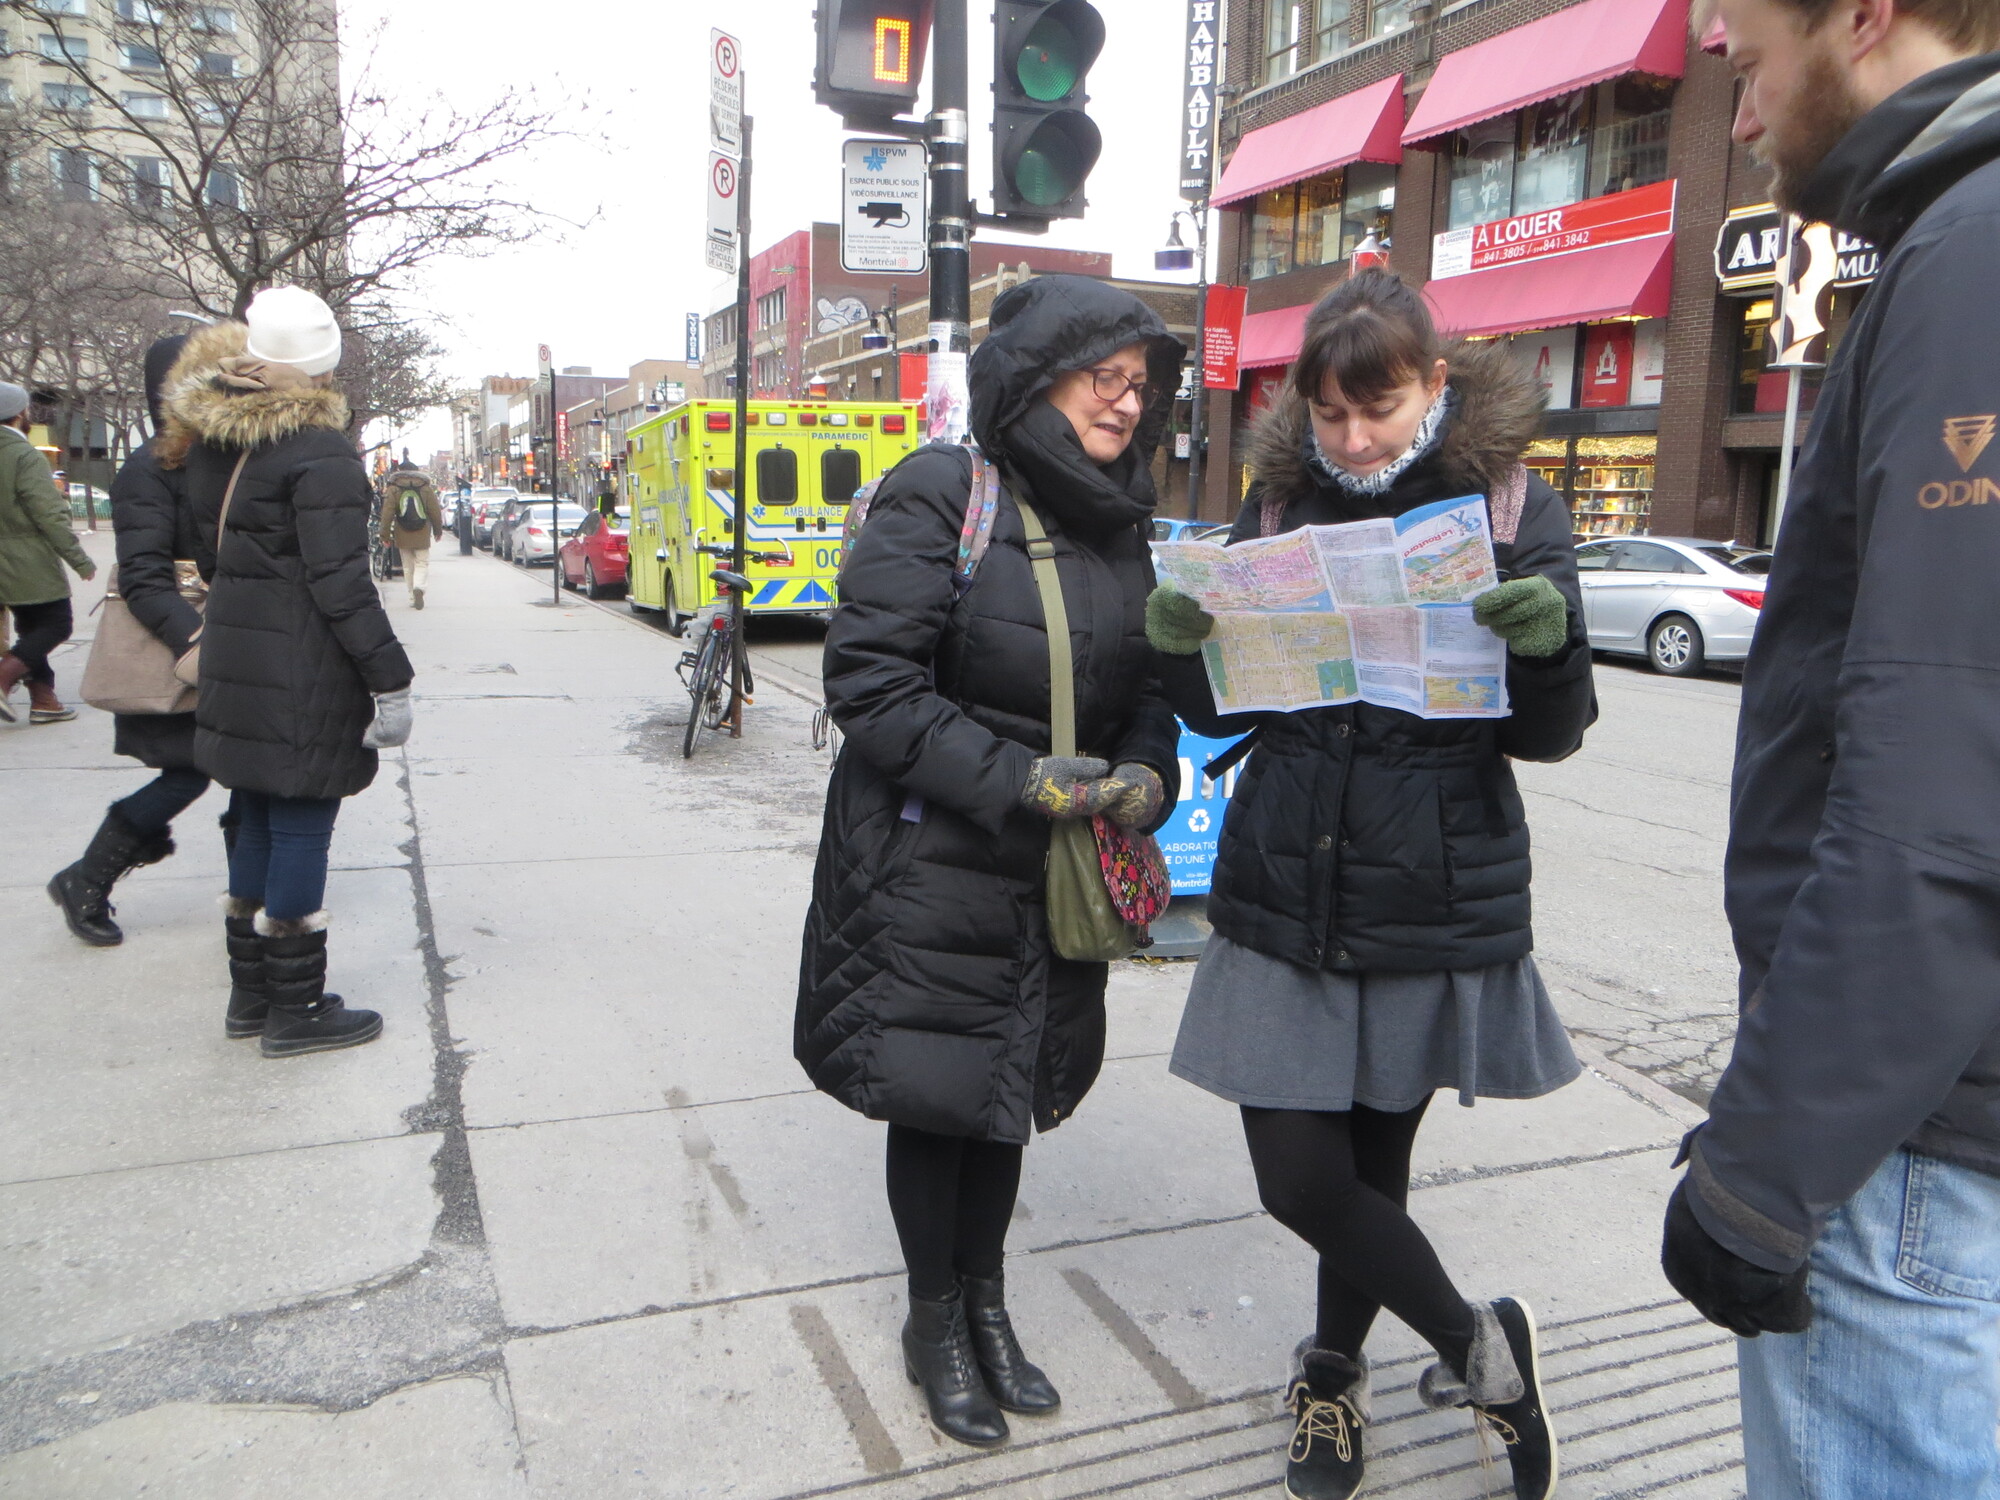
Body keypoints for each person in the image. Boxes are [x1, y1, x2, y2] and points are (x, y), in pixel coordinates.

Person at [1147, 270, 1595, 1500]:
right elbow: (1222, 714)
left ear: (1432, 385)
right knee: (1298, 1179)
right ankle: (1479, 1348)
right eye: (1330, 413)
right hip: (1284, 879)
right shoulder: (1274, 503)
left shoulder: (1508, 504)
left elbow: (1551, 734)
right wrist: (1181, 653)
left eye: (1378, 409)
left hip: (1423, 888)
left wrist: (1545, 646)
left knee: (1369, 1172)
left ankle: (1331, 1377)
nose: (1351, 439)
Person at [1662, 4, 2000, 1497]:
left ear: (1862, 17)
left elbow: (1943, 786)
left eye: (1747, 62)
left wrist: (1765, 1167)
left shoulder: (1972, 253)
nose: (1736, 107)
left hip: (1911, 1142)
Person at [796, 275, 1183, 1448]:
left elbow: (1145, 691)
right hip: (932, 865)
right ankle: (933, 1322)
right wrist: (1017, 778)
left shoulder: (1118, 524)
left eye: (1138, 384)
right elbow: (869, 683)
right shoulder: (942, 490)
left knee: (1009, 1093)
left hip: (1054, 876)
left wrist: (1145, 771)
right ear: (1033, 378)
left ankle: (986, 1307)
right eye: (1101, 377)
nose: (1124, 403)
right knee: (940, 1099)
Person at [158, 285, 414, 1057]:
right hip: (301, 667)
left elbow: (210, 557)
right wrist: (390, 678)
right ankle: (296, 1010)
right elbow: (342, 585)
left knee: (256, 815)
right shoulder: (319, 452)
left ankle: (251, 998)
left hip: (236, 655)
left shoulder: (212, 439)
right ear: (323, 365)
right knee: (301, 820)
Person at [47, 334, 219, 946]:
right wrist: (196, 643)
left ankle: (253, 904)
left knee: (226, 773)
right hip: (180, 651)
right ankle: (86, 877)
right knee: (190, 772)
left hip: (220, 643)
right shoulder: (150, 468)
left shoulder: (214, 458)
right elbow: (144, 578)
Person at [0, 381, 96, 724]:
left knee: (32, 629)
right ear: (20, 414)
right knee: (56, 624)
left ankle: (45, 700)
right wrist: (79, 560)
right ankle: (4, 677)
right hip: (25, 557)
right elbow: (48, 513)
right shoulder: (23, 455)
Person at [378, 452, 442, 608]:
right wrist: (437, 530)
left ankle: (412, 597)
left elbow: (387, 513)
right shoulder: (425, 488)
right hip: (422, 531)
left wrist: (385, 535)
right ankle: (419, 587)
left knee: (407, 566)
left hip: (402, 531)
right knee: (422, 562)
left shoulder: (394, 488)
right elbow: (434, 511)